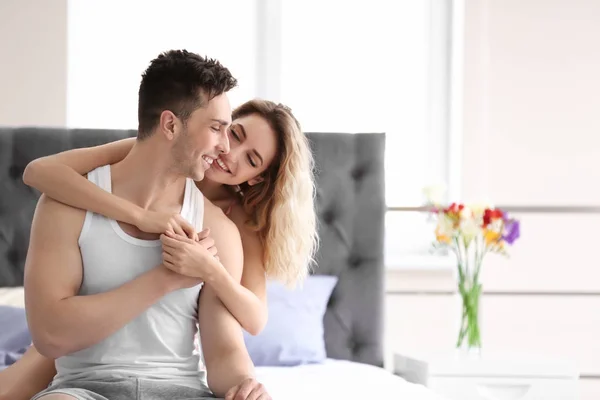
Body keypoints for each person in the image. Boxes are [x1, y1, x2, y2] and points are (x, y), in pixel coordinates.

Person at [0, 63, 318, 400]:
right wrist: (140, 218)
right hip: (84, 357)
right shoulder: (145, 153)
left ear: (256, 178)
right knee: (47, 355)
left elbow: (248, 325)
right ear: (171, 125)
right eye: (229, 132)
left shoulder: (232, 225)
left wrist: (210, 271)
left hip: (170, 359)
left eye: (251, 159)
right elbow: (40, 172)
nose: (227, 150)